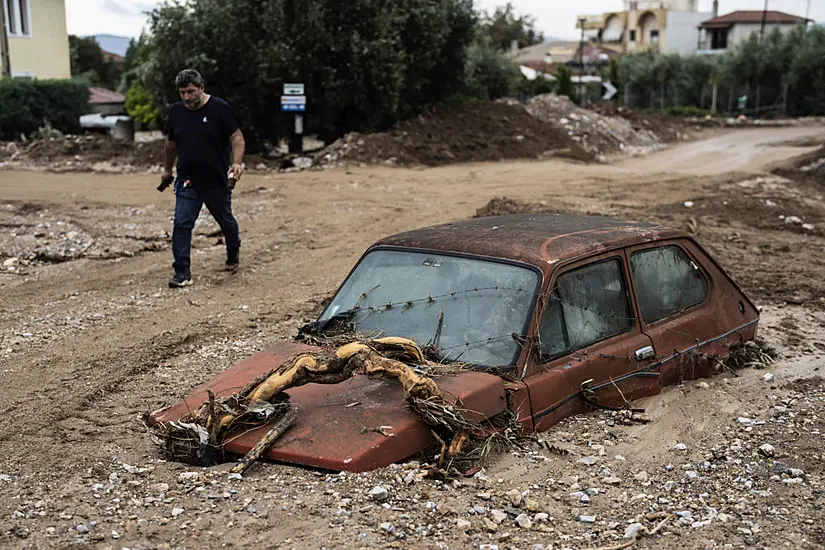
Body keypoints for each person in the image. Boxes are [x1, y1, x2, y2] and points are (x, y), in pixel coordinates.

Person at [160, 69, 245, 288]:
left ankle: (233, 254)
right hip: (188, 179)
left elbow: (237, 138)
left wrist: (236, 163)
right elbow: (170, 144)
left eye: (190, 91)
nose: (186, 97)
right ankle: (182, 272)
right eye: (182, 93)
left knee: (226, 221)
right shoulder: (176, 112)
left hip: (216, 180)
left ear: (201, 88)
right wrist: (167, 170)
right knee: (182, 223)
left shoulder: (219, 109)